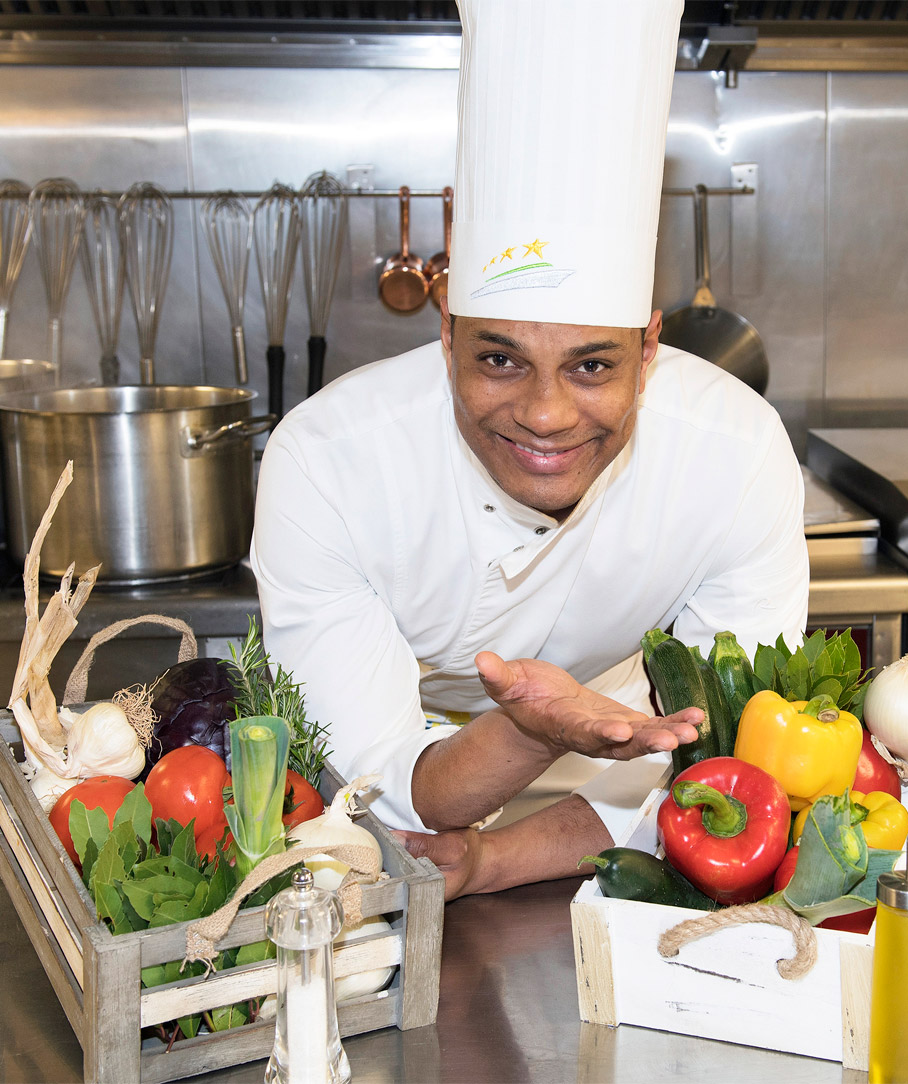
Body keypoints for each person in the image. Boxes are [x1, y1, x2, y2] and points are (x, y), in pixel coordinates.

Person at [250, 0, 808, 900]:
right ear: (446, 334)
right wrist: (529, 730)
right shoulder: (329, 462)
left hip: (628, 786)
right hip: (403, 814)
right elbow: (378, 776)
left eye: (592, 366)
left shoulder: (732, 454)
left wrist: (501, 856)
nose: (546, 415)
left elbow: (723, 761)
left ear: (650, 349)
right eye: (500, 359)